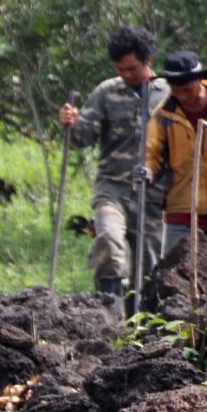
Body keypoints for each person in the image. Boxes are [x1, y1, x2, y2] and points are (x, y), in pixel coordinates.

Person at [58, 26, 169, 299]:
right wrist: (70, 125)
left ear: (148, 60)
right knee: (108, 243)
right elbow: (83, 138)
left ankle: (143, 334)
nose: (125, 75)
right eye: (120, 69)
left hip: (155, 197)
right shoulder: (106, 92)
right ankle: (109, 322)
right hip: (112, 191)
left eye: (131, 68)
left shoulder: (169, 94)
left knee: (149, 270)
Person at [143, 51, 207, 260]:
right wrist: (147, 171)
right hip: (180, 209)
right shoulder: (163, 114)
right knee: (174, 276)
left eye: (187, 90)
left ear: (200, 80)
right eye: (176, 91)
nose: (182, 96)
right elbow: (152, 154)